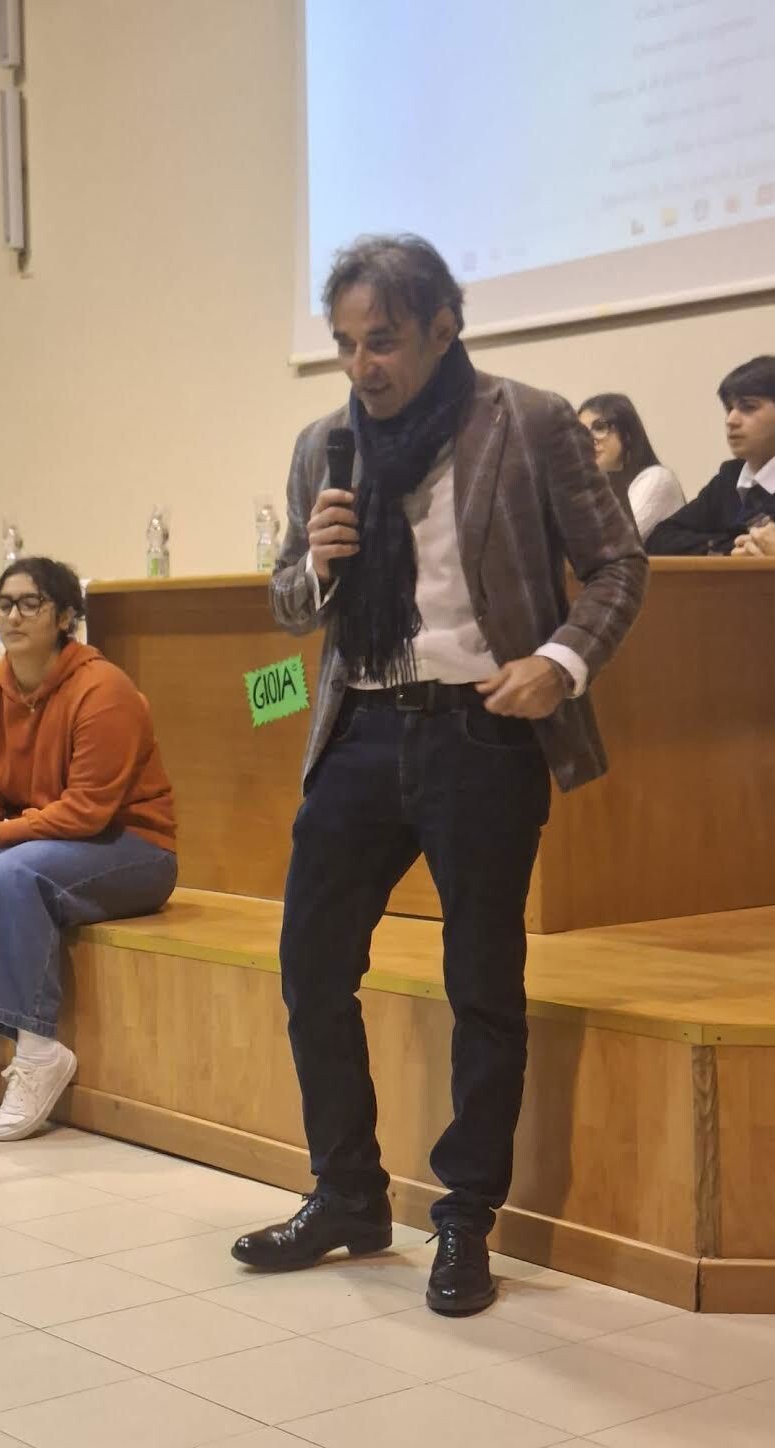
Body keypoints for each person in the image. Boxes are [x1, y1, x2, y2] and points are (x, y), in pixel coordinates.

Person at [230, 235, 647, 1315]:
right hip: (360, 727)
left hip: (480, 731)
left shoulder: (530, 419)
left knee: (480, 984)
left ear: (443, 327)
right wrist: (314, 565)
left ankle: (464, 1215)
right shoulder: (325, 443)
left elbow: (617, 562)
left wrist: (560, 662)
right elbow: (284, 601)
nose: (364, 366)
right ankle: (349, 1194)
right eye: (346, 344)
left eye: (384, 341)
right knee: (312, 965)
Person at [0, 557, 177, 1143]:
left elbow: (88, 811)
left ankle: (38, 1052)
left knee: (10, 871)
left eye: (30, 603)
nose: (12, 615)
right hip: (40, 846)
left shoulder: (105, 691)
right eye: (3, 603)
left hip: (133, 848)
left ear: (66, 618)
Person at [646, 356, 775, 555]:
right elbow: (660, 539)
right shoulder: (730, 477)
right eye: (729, 409)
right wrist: (733, 547)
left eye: (748, 407)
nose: (731, 420)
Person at [576, 393, 683, 541]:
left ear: (627, 434)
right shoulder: (589, 486)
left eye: (600, 427)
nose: (589, 440)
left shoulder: (657, 479)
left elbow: (613, 540)